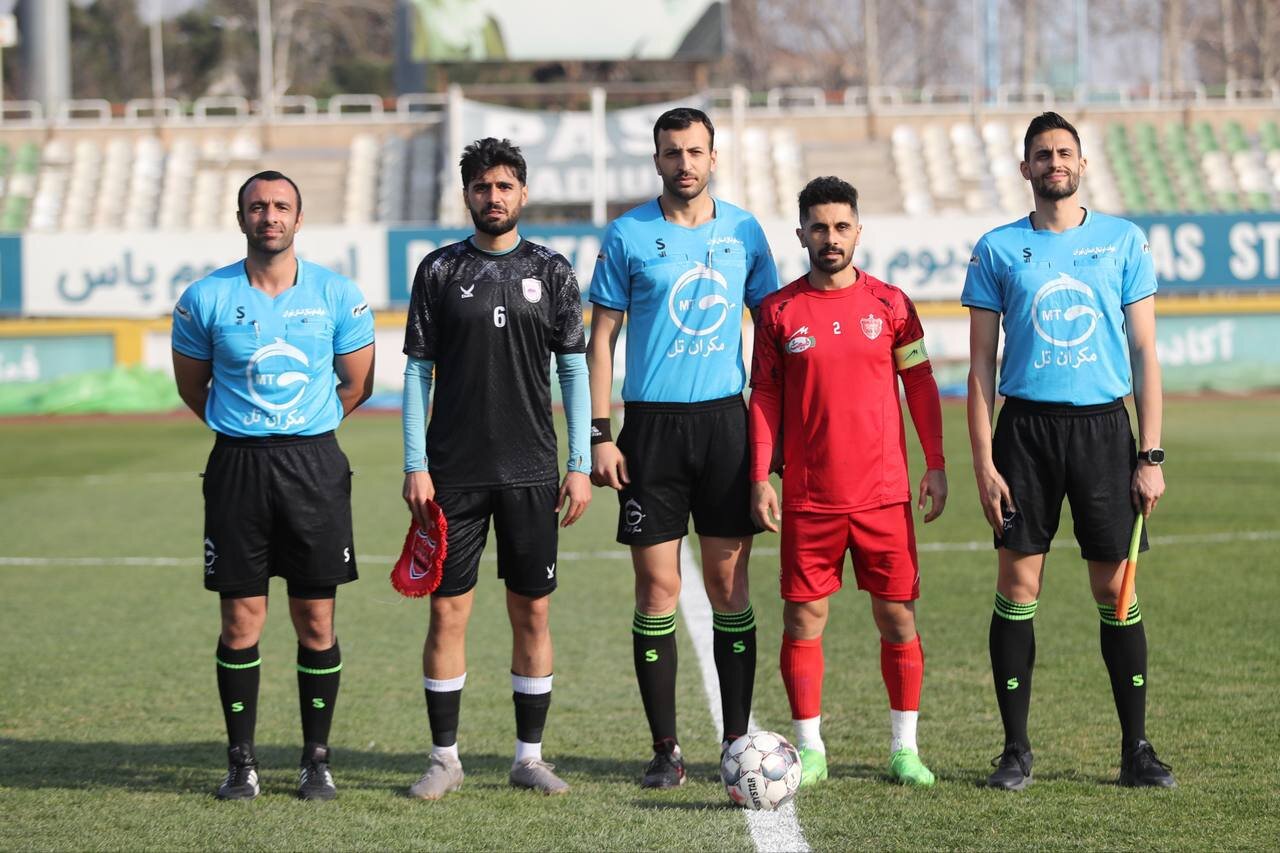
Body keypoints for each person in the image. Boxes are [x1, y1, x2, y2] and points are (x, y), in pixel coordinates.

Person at [963, 111, 1175, 790]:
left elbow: (1144, 351)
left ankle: (1136, 749)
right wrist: (983, 461)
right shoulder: (997, 248)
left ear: (1082, 165)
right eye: (1042, 154)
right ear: (1025, 168)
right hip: (1024, 432)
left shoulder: (1121, 241)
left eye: (1065, 152)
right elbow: (979, 367)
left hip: (1104, 432)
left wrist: (1151, 454)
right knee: (1017, 585)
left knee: (1116, 590)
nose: (1055, 162)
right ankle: (1015, 750)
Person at [587, 107, 779, 788]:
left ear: (713, 156)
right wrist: (599, 433)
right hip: (652, 431)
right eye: (672, 153)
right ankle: (666, 748)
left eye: (695, 151)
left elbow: (776, 334)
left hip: (726, 426)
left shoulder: (745, 231)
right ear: (657, 160)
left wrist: (769, 440)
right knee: (656, 589)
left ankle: (735, 740)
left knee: (730, 585)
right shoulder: (628, 235)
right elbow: (601, 339)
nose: (685, 163)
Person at [171, 170, 376, 801]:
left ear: (299, 216)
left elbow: (357, 383)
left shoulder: (339, 294)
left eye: (281, 205)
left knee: (316, 619)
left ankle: (317, 759)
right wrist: (249, 432)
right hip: (237, 468)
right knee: (241, 621)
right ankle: (242, 762)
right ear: (241, 219)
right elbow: (192, 387)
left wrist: (306, 431)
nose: (269, 216)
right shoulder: (203, 298)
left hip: (313, 466)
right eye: (257, 207)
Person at [401, 137, 591, 800]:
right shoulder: (438, 270)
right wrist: (415, 463)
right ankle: (445, 758)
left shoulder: (554, 270)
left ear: (523, 193)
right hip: (453, 474)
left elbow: (573, 368)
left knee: (531, 614)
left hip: (533, 471)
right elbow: (418, 372)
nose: (494, 196)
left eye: (505, 185)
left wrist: (580, 462)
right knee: (448, 614)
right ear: (467, 194)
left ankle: (528, 757)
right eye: (482, 186)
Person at [749, 176, 948, 789]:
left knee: (898, 621)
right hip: (810, 496)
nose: (830, 238)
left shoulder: (891, 304)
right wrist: (760, 475)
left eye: (841, 227)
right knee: (804, 621)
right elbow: (764, 395)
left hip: (884, 494)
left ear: (858, 231)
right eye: (819, 227)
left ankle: (903, 750)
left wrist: (934, 462)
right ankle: (810, 751)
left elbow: (918, 383)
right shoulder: (778, 311)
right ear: (801, 233)